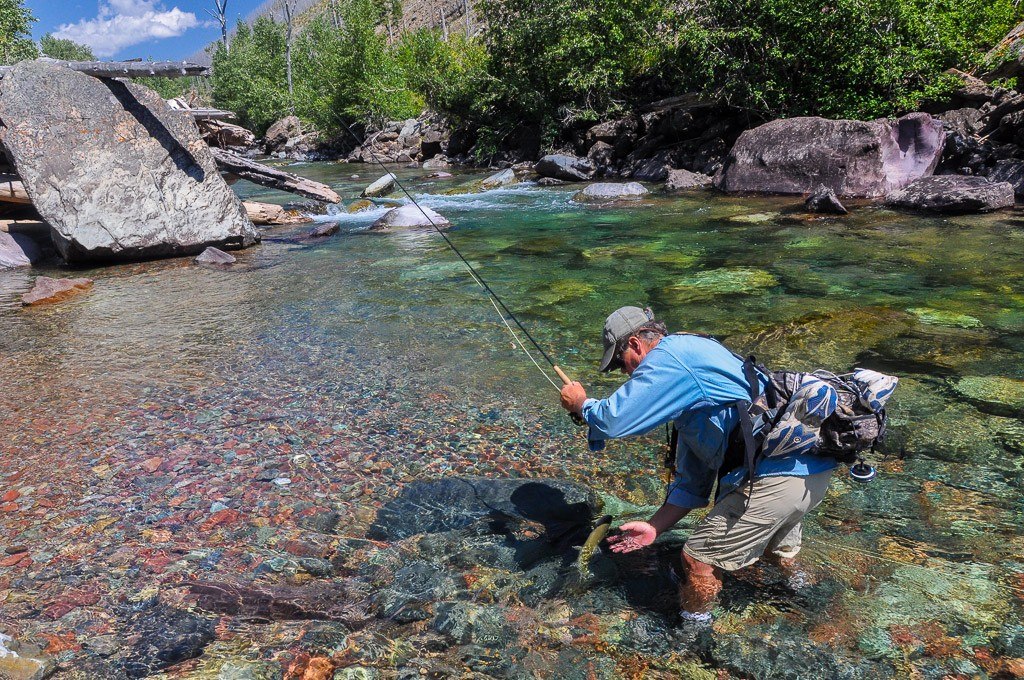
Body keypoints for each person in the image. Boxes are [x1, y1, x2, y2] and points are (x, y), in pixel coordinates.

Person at [558, 306, 836, 629]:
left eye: (621, 363)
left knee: (696, 559)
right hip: (806, 471)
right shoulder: (692, 375)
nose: (626, 374)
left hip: (776, 475)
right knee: (779, 558)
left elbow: (613, 419)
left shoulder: (670, 357)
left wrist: (581, 405)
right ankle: (816, 611)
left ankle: (695, 636)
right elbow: (693, 485)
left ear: (636, 344)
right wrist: (654, 527)